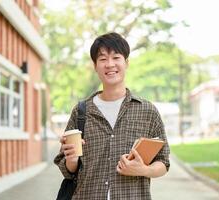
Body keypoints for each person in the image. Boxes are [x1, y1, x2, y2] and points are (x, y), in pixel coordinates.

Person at [55, 32, 170, 199]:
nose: (110, 64)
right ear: (95, 66)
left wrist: (144, 170)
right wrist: (71, 159)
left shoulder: (147, 111)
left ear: (126, 63)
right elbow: (68, 170)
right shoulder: (81, 112)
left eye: (116, 57)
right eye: (102, 59)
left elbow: (163, 162)